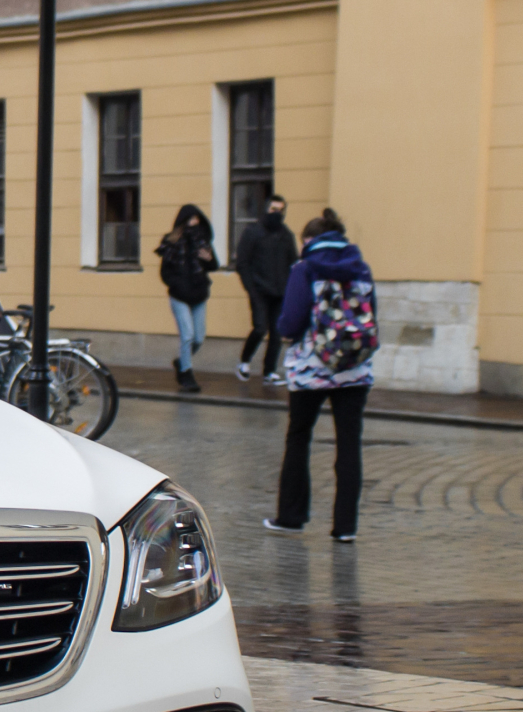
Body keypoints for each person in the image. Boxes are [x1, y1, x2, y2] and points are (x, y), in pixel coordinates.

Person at [265, 208, 376, 542]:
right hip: (354, 370)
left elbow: (291, 322)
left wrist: (288, 332)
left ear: (309, 241)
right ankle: (345, 528)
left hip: (311, 369)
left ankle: (292, 517)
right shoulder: (361, 268)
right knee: (349, 444)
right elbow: (373, 318)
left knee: (299, 437)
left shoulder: (305, 269)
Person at [232, 195, 296, 385]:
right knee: (260, 327)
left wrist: (290, 288)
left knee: (277, 333)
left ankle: (269, 372)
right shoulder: (253, 232)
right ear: (266, 210)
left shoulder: (286, 235)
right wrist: (251, 288)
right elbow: (242, 263)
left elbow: (294, 262)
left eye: (281, 210)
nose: (277, 214)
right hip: (259, 290)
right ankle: (244, 362)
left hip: (280, 292)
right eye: (273, 209)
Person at [154, 203, 218, 394]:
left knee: (199, 337)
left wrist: (209, 260)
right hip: (179, 296)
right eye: (191, 219)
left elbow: (213, 266)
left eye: (197, 219)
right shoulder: (171, 242)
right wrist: (177, 284)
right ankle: (186, 374)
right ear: (183, 221)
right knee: (188, 335)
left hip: (198, 295)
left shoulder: (203, 241)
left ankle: (182, 361)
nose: (194, 222)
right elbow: (165, 273)